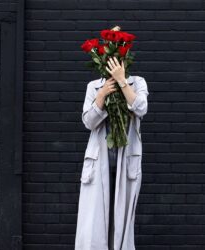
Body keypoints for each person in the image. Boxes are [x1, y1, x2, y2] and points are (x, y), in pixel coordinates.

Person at [75, 33, 149, 250]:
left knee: (121, 220)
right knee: (95, 221)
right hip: (100, 161)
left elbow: (141, 108)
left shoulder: (138, 83)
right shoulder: (94, 86)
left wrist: (122, 82)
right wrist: (102, 95)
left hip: (126, 161)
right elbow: (88, 122)